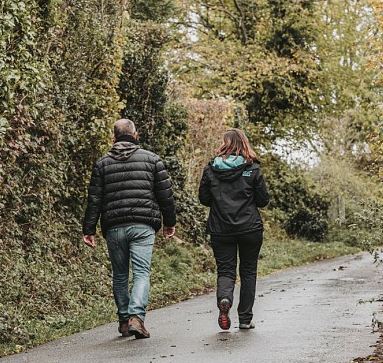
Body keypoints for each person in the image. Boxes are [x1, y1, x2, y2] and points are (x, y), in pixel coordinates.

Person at [83, 119, 176, 339]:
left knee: (120, 275)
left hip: (114, 226)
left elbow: (94, 200)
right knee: (142, 272)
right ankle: (136, 317)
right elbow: (166, 196)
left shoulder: (102, 164)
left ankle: (125, 321)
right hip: (143, 225)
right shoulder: (152, 159)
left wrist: (89, 229)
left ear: (114, 138)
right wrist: (169, 222)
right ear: (135, 135)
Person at [199, 128, 270, 330]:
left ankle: (224, 299)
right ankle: (245, 319)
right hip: (250, 228)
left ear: (225, 143)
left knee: (226, 271)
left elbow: (204, 199)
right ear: (244, 143)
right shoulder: (253, 168)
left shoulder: (211, 169)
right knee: (248, 272)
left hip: (221, 229)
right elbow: (263, 200)